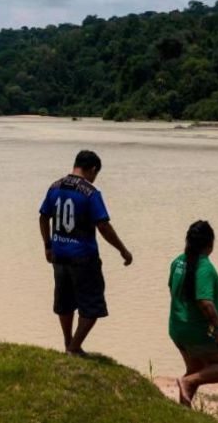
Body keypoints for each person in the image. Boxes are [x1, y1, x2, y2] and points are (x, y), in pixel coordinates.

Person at [38, 149, 133, 355]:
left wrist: (48, 245)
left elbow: (43, 216)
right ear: (92, 169)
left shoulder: (54, 187)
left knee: (64, 302)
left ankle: (68, 342)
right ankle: (73, 348)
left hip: (59, 255)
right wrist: (123, 251)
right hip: (83, 257)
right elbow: (104, 226)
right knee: (92, 306)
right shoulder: (90, 192)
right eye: (95, 173)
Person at [169, 220, 218, 406]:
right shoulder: (204, 267)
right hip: (198, 331)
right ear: (210, 244)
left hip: (177, 328)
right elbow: (205, 303)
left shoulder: (178, 262)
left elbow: (173, 290)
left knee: (196, 369)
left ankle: (183, 411)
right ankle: (186, 382)